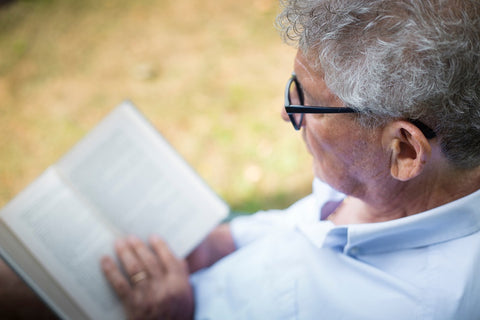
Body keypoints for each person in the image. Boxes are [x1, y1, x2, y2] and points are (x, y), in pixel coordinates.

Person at [100, 0, 480, 319]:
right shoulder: (385, 184)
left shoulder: (413, 307)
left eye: (308, 103)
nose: (286, 113)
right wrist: (224, 243)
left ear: (405, 151)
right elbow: (295, 233)